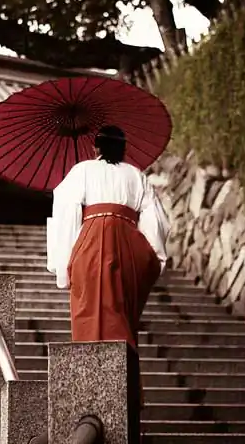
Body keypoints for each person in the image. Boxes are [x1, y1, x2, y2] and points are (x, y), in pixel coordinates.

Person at [46, 125, 170, 440]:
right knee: (123, 322)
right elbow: (156, 221)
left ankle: (90, 400)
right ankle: (125, 405)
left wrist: (65, 266)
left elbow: (65, 213)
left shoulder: (81, 171)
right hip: (129, 244)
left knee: (88, 318)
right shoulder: (137, 176)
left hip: (89, 241)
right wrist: (153, 259)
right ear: (123, 148)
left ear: (96, 147)